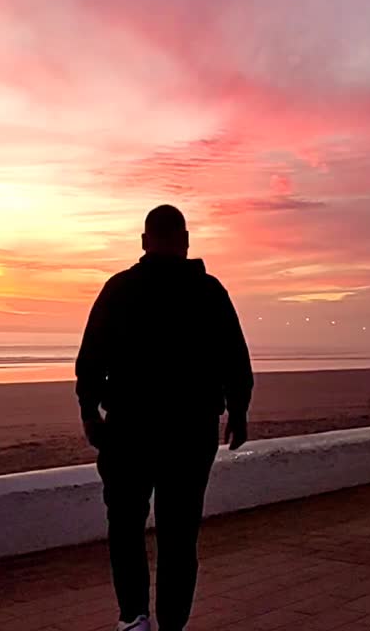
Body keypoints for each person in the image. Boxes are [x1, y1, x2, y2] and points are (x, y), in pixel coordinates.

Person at [76, 204, 254, 631]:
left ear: (143, 242)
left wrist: (89, 410)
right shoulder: (210, 292)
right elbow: (236, 360)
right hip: (190, 434)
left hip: (128, 429)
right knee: (179, 532)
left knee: (125, 526)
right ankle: (172, 623)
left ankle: (133, 616)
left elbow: (90, 360)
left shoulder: (118, 289)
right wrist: (239, 411)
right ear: (186, 241)